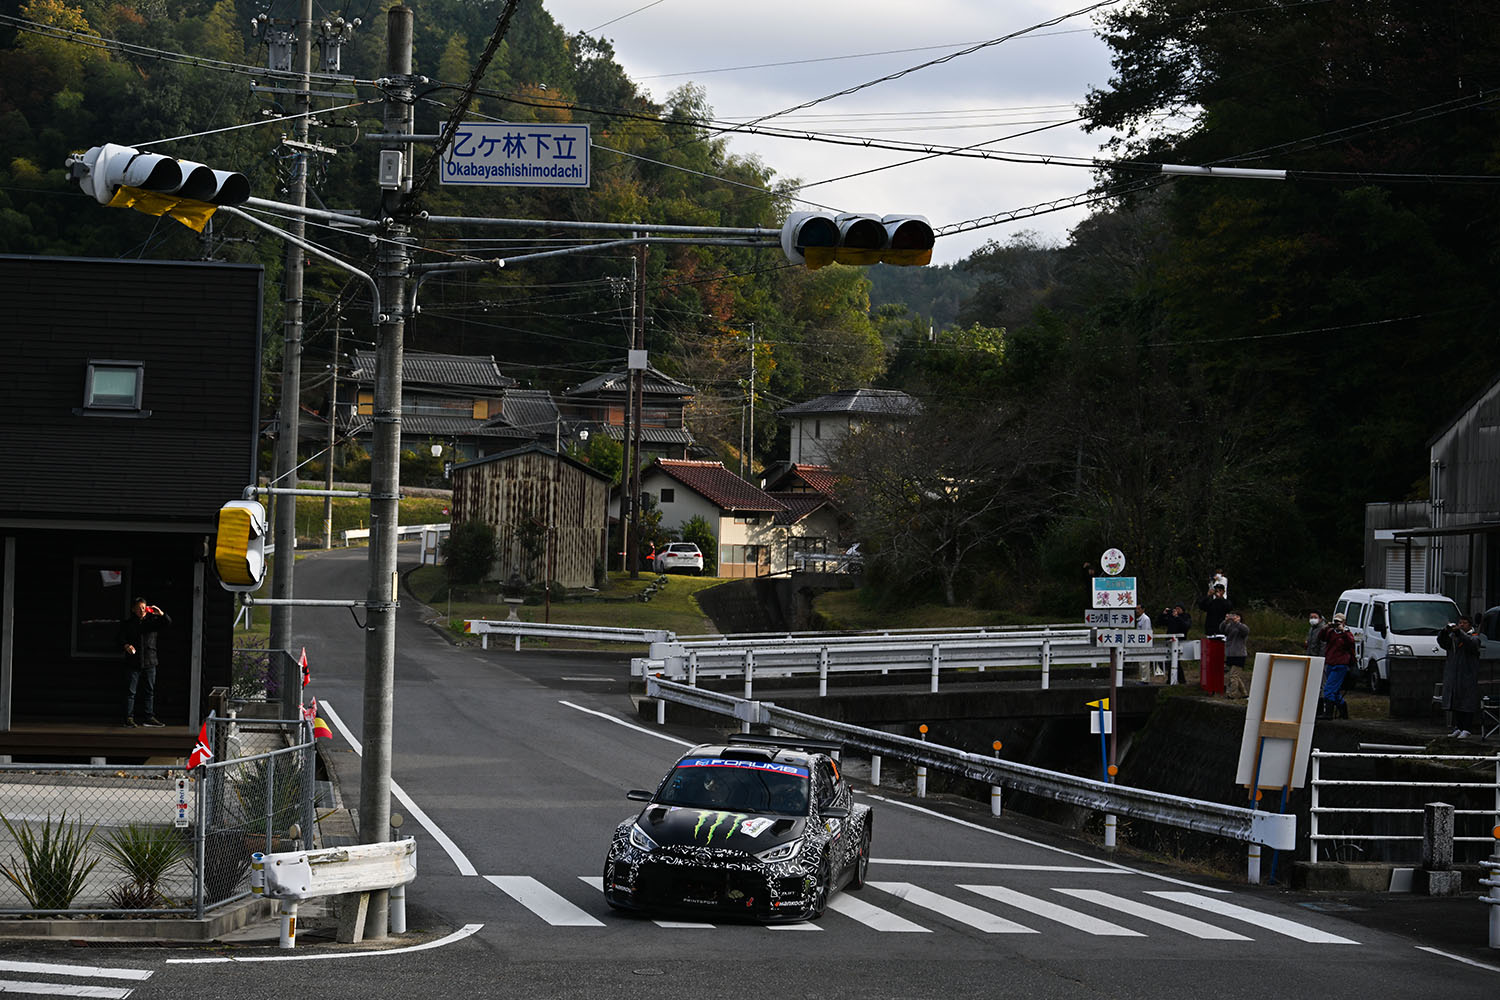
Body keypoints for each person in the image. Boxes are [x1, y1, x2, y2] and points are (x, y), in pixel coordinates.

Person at [118, 597, 170, 727]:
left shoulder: (152, 621)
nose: (141, 610)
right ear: (133, 609)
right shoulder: (128, 623)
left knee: (149, 691)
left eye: (143, 608)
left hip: (150, 660)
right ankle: (128, 719)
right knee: (130, 692)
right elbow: (119, 638)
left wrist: (161, 613)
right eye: (138, 608)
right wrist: (126, 646)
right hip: (133, 661)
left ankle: (149, 717)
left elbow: (167, 622)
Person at [1437, 616, 1482, 738]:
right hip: (1454, 675)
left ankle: (1467, 728)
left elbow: (1471, 643)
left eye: (1464, 623)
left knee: (1467, 702)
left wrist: (1459, 632)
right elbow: (1442, 642)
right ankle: (1458, 727)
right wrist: (1445, 631)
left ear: (1469, 625)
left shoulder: (1475, 637)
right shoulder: (1453, 639)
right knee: (1455, 701)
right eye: (1460, 623)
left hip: (1467, 675)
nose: (1461, 625)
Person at [1319, 611, 1356, 719]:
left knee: (1328, 689)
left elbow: (1351, 643)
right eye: (1335, 621)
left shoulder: (1347, 633)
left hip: (1340, 665)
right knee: (1334, 692)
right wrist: (1326, 627)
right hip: (1330, 662)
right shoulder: (1331, 632)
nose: (1336, 624)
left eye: (1338, 622)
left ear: (1344, 622)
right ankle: (1343, 712)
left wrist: (1343, 631)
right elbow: (1321, 637)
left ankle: (1328, 714)